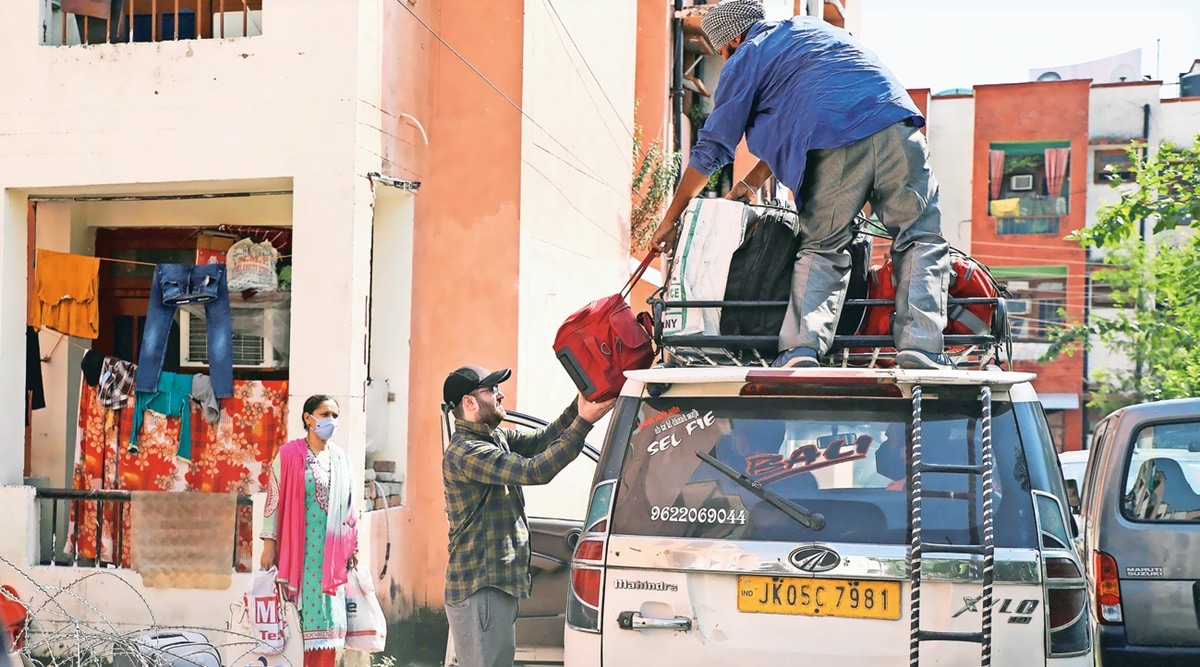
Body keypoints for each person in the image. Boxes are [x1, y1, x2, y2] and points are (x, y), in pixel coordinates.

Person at [649, 0, 952, 370]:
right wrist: (750, 182)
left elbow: (712, 147)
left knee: (823, 247)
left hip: (834, 143)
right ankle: (923, 347)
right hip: (898, 126)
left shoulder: (747, 55)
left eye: (722, 52)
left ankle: (801, 350)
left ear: (732, 40)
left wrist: (671, 218)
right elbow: (804, 114)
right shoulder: (813, 31)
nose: (725, 59)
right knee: (921, 238)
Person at [441, 365, 615, 667]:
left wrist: (578, 406)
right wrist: (584, 422)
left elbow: (542, 441)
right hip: (481, 588)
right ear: (469, 402)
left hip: (494, 587)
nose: (500, 395)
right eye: (491, 390)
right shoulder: (466, 452)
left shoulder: (495, 437)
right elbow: (533, 471)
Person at [261, 394, 358, 667]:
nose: (331, 420)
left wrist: (353, 545)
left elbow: (350, 506)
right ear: (308, 418)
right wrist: (269, 543)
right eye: (325, 414)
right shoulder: (288, 455)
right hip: (299, 554)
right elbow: (273, 499)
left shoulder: (341, 458)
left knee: (329, 621)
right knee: (296, 623)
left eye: (335, 416)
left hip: (332, 557)